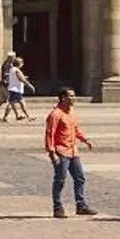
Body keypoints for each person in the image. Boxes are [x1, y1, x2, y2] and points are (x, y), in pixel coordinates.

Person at [43, 87, 96, 217]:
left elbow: (75, 129)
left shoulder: (71, 112)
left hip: (73, 151)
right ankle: (57, 207)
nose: (74, 98)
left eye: (74, 95)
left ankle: (81, 205)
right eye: (71, 96)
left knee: (80, 178)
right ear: (63, 98)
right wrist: (52, 153)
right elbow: (49, 134)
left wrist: (85, 140)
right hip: (61, 151)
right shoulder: (55, 115)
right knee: (60, 180)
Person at [0, 54, 29, 122]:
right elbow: (7, 75)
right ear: (11, 58)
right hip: (7, 85)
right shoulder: (9, 65)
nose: (14, 58)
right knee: (11, 102)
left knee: (1, 101)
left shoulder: (5, 64)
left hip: (3, 85)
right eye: (14, 57)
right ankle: (15, 115)